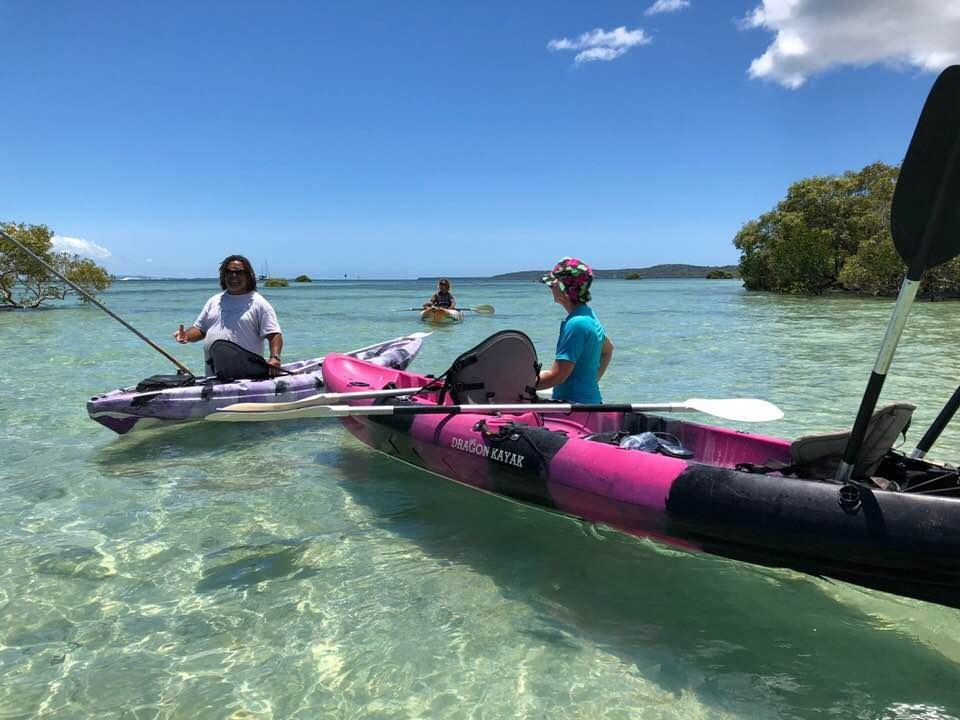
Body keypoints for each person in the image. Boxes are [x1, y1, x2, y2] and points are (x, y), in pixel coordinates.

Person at [173, 255, 284, 377]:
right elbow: (201, 329)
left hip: (247, 379)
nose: (233, 276)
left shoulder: (259, 303)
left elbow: (274, 335)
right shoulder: (214, 301)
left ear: (248, 276)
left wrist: (275, 357)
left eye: (239, 272)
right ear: (223, 275)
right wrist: (186, 336)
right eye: (228, 272)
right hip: (214, 375)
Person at [536, 257, 614, 404]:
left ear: (562, 287)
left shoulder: (576, 324)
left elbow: (558, 376)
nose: (550, 289)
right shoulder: (588, 316)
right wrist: (590, 382)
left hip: (575, 410)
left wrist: (520, 386)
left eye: (551, 285)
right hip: (589, 404)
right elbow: (608, 350)